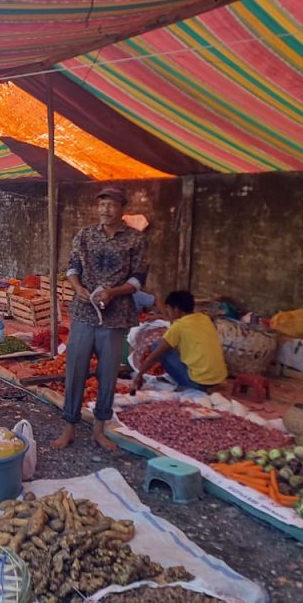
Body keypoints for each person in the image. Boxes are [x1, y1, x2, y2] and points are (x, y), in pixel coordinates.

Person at [55, 186, 148, 452]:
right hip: (84, 314)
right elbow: (72, 267)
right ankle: (69, 428)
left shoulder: (136, 240)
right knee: (75, 371)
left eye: (111, 205)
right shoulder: (84, 235)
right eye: (102, 204)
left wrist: (113, 292)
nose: (105, 209)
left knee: (107, 374)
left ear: (122, 209)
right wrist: (78, 288)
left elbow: (138, 279)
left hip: (115, 317)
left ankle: (99, 430)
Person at [132, 291, 227, 393]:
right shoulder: (204, 318)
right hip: (219, 379)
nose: (167, 312)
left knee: (156, 346)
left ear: (176, 309)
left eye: (168, 309)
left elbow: (154, 355)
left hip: (198, 383)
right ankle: (211, 386)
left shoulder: (179, 326)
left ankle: (194, 387)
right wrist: (160, 317)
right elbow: (176, 323)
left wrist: (139, 375)